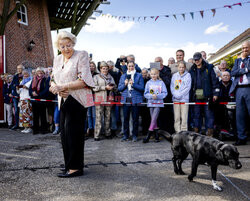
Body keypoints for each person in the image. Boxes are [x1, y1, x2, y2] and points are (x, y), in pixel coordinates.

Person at [50, 31, 95, 177]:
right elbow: (52, 78)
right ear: (58, 47)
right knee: (64, 135)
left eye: (68, 45)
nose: (66, 49)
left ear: (73, 44)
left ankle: (76, 168)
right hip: (62, 100)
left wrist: (63, 87)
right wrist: (54, 87)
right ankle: (69, 165)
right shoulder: (57, 59)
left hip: (77, 100)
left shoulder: (81, 55)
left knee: (74, 134)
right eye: (62, 46)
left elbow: (84, 81)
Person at [189, 52, 220, 137]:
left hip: (208, 95)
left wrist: (216, 93)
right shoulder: (192, 69)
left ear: (201, 58)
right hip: (197, 95)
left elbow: (215, 81)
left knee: (209, 115)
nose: (196, 61)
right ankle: (196, 135)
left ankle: (209, 135)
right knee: (196, 115)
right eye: (195, 59)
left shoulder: (209, 67)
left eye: (198, 59)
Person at [229, 40, 250, 146]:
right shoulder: (237, 61)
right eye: (242, 48)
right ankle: (241, 138)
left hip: (249, 88)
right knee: (240, 115)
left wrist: (244, 66)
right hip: (239, 89)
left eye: (246, 48)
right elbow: (233, 72)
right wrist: (245, 69)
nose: (244, 50)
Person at [118, 61, 144, 142]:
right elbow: (119, 88)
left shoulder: (139, 75)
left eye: (132, 66)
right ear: (127, 67)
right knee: (125, 118)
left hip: (135, 99)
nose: (130, 68)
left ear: (134, 67)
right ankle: (126, 135)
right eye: (129, 66)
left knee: (135, 118)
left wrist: (133, 84)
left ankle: (134, 135)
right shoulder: (123, 76)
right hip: (126, 98)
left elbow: (142, 88)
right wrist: (125, 84)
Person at [93, 61, 116, 141]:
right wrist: (104, 87)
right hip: (99, 99)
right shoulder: (96, 77)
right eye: (103, 69)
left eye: (106, 69)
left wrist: (113, 87)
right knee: (99, 118)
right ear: (100, 69)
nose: (105, 70)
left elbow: (115, 86)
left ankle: (107, 133)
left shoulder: (111, 77)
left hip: (109, 99)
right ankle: (97, 135)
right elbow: (93, 88)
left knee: (108, 117)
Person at [143, 68, 167, 143]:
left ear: (157, 74)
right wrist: (151, 96)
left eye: (155, 74)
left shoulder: (161, 83)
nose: (153, 75)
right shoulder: (148, 83)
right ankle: (156, 136)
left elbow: (165, 93)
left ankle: (148, 134)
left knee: (153, 119)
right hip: (150, 103)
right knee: (154, 120)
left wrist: (158, 96)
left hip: (158, 103)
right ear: (150, 74)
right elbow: (145, 93)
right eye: (152, 74)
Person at [155, 57, 175, 134]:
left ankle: (168, 131)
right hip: (157, 96)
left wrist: (160, 75)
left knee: (167, 114)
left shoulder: (167, 69)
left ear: (162, 61)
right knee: (158, 115)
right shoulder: (153, 70)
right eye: (156, 61)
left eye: (158, 61)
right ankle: (159, 131)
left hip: (166, 96)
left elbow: (168, 81)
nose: (157, 63)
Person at [170, 61, 191, 133]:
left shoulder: (188, 75)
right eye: (180, 67)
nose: (181, 69)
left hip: (184, 99)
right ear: (177, 67)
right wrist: (175, 95)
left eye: (183, 67)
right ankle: (177, 131)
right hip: (176, 99)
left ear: (185, 67)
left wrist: (180, 95)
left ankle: (184, 132)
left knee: (184, 117)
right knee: (177, 117)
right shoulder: (174, 76)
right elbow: (172, 87)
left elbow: (187, 87)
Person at [29, 67, 49, 134]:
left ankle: (44, 130)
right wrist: (32, 93)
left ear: (43, 73)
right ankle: (36, 130)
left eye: (41, 72)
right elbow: (30, 89)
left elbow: (46, 89)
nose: (40, 73)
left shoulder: (45, 80)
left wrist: (38, 94)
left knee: (43, 115)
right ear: (36, 73)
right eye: (38, 72)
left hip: (42, 100)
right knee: (35, 115)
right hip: (34, 100)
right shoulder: (33, 79)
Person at [86, 61, 98, 138]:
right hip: (87, 95)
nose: (91, 67)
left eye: (93, 66)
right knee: (88, 114)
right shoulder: (85, 75)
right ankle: (90, 129)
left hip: (94, 95)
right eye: (90, 66)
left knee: (94, 114)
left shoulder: (97, 75)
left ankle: (95, 129)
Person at [10, 64, 24, 130]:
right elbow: (11, 85)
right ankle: (16, 124)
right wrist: (15, 87)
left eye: (20, 68)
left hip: (22, 96)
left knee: (23, 110)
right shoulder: (15, 76)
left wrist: (18, 86)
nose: (18, 70)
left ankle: (23, 125)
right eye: (18, 68)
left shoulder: (25, 76)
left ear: (23, 69)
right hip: (15, 96)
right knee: (16, 111)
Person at [140, 68, 151, 136]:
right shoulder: (139, 80)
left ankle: (148, 131)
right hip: (142, 100)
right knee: (143, 117)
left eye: (145, 73)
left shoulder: (149, 80)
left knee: (148, 116)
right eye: (142, 73)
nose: (144, 74)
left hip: (148, 100)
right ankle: (143, 131)